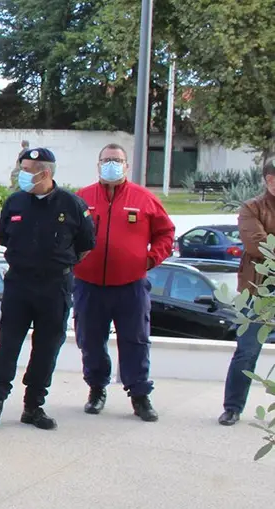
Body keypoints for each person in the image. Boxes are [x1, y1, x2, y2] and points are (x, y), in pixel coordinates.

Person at [0, 147, 96, 430]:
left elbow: (86, 245)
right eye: (21, 168)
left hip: (54, 286)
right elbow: (5, 237)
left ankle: (33, 406)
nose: (22, 174)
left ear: (46, 172)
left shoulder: (72, 205)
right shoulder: (15, 202)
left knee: (46, 348)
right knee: (8, 345)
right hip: (19, 284)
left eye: (28, 170)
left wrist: (56, 264)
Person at [74, 143, 175, 422]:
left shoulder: (143, 199)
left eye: (117, 160)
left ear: (126, 166)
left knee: (135, 340)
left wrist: (150, 259)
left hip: (131, 285)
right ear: (98, 164)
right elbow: (65, 234)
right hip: (89, 284)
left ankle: (139, 395)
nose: (111, 164)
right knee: (90, 340)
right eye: (106, 160)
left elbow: (166, 234)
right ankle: (96, 389)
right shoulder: (82, 198)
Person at [220, 160, 275, 426]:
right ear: (268, 180)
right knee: (247, 351)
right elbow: (259, 246)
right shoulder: (251, 208)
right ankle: (232, 407)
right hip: (258, 290)